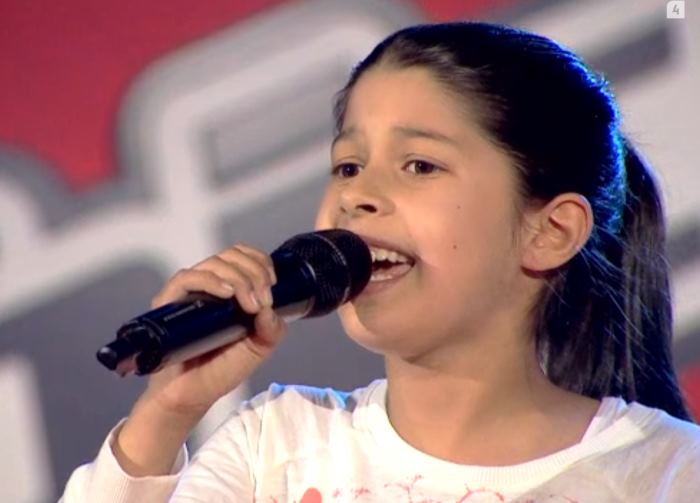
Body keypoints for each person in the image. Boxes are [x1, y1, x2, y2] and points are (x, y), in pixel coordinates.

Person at [60, 22, 699, 502]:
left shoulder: (667, 473)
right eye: (348, 166)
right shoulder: (278, 447)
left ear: (550, 231)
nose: (356, 195)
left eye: (419, 165)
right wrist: (167, 413)